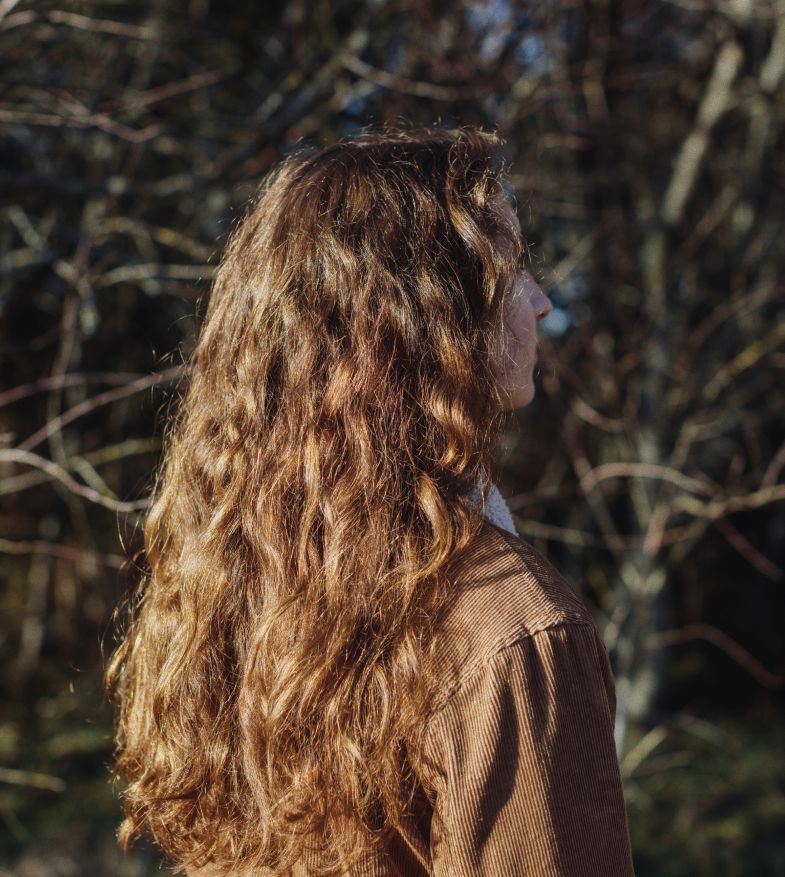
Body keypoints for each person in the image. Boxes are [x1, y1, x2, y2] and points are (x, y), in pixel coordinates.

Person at [105, 124, 636, 876]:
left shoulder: (232, 577)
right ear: (426, 317)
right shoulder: (516, 632)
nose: (544, 302)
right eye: (510, 268)